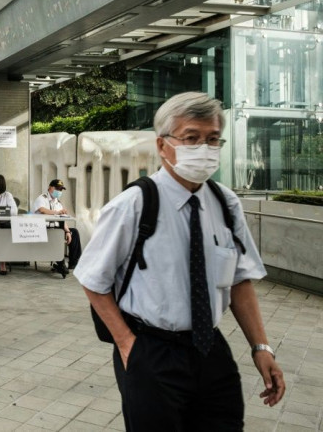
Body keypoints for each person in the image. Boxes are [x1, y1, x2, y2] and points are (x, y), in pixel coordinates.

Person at [76, 92, 285, 430]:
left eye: (213, 139)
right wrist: (128, 345)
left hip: (210, 349)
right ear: (162, 146)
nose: (204, 148)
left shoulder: (225, 203)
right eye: (191, 138)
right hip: (152, 350)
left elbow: (239, 281)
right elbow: (92, 279)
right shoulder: (134, 204)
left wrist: (261, 347)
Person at [31, 179, 81, 276]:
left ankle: (73, 263)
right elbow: (42, 210)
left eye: (61, 189)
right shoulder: (42, 198)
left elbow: (62, 219)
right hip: (42, 229)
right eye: (57, 189)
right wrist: (57, 213)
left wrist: (67, 231)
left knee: (74, 232)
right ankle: (60, 263)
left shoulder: (58, 202)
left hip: (55, 228)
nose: (59, 191)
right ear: (50, 188)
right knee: (57, 233)